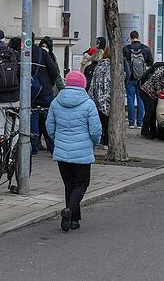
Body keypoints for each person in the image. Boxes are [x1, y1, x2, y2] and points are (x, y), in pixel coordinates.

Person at [46, 71, 102, 232]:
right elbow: (95, 130)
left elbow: (50, 127)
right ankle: (70, 211)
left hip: (62, 151)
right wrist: (94, 143)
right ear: (83, 85)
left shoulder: (56, 102)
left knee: (69, 184)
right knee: (82, 183)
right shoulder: (88, 104)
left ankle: (74, 220)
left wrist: (57, 139)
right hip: (82, 151)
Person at [31, 36, 59, 155]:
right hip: (45, 90)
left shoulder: (23, 53)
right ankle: (52, 148)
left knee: (33, 120)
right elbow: (54, 72)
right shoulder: (42, 53)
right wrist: (49, 84)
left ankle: (33, 148)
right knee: (50, 120)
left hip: (31, 93)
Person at [124, 30, 154, 129]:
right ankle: (140, 123)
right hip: (142, 78)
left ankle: (132, 123)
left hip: (130, 78)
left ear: (131, 38)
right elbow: (151, 63)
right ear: (138, 37)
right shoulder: (145, 49)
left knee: (130, 99)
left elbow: (122, 63)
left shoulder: (126, 49)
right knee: (141, 100)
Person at [88, 47, 112, 147]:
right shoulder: (111, 66)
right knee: (107, 122)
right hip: (106, 97)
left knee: (99, 121)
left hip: (96, 97)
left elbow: (93, 82)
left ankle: (99, 141)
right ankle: (106, 142)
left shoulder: (99, 65)